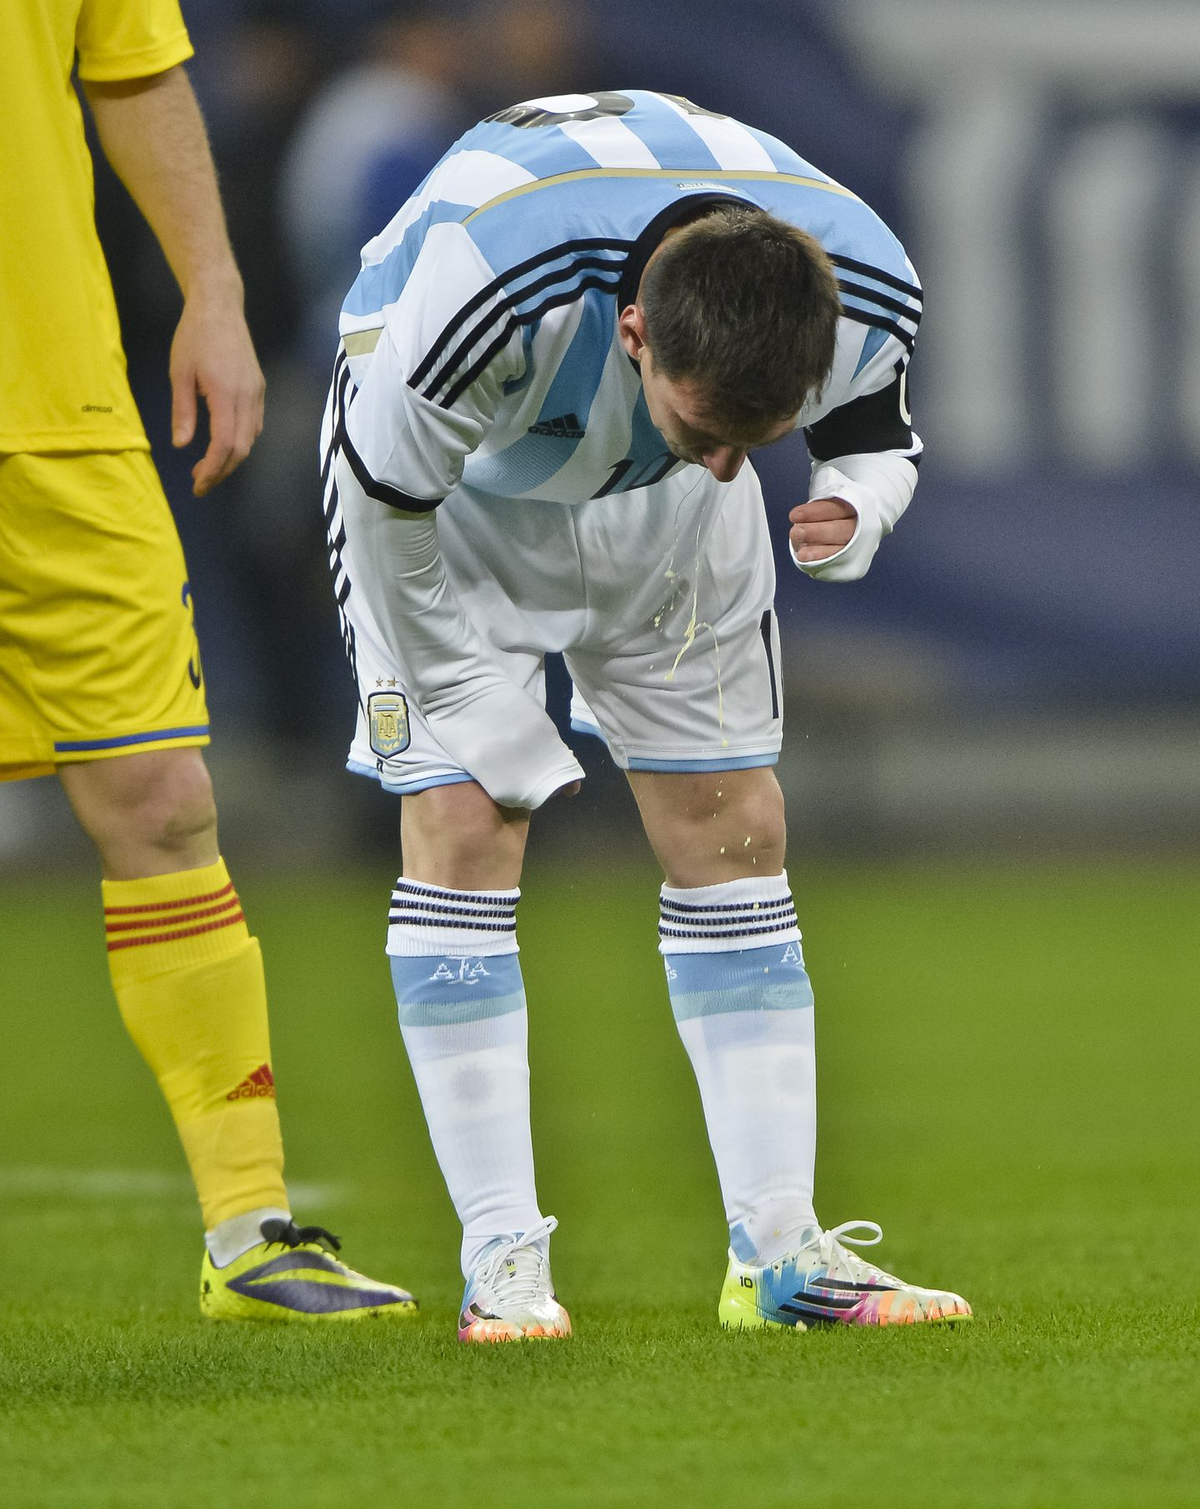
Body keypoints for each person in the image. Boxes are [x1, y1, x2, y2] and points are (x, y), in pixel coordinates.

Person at [322, 88, 972, 1341]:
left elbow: (876, 432)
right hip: (451, 497)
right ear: (631, 333)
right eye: (706, 426)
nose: (734, 463)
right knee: (463, 822)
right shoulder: (485, 288)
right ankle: (501, 1256)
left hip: (649, 514)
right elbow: (377, 490)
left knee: (733, 828)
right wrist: (458, 695)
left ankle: (782, 1252)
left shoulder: (862, 275)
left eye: (758, 440)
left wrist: (858, 496)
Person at [0, 0, 416, 1323]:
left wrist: (214, 291)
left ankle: (250, 1234)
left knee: (165, 799)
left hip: (56, 416)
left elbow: (132, 70)